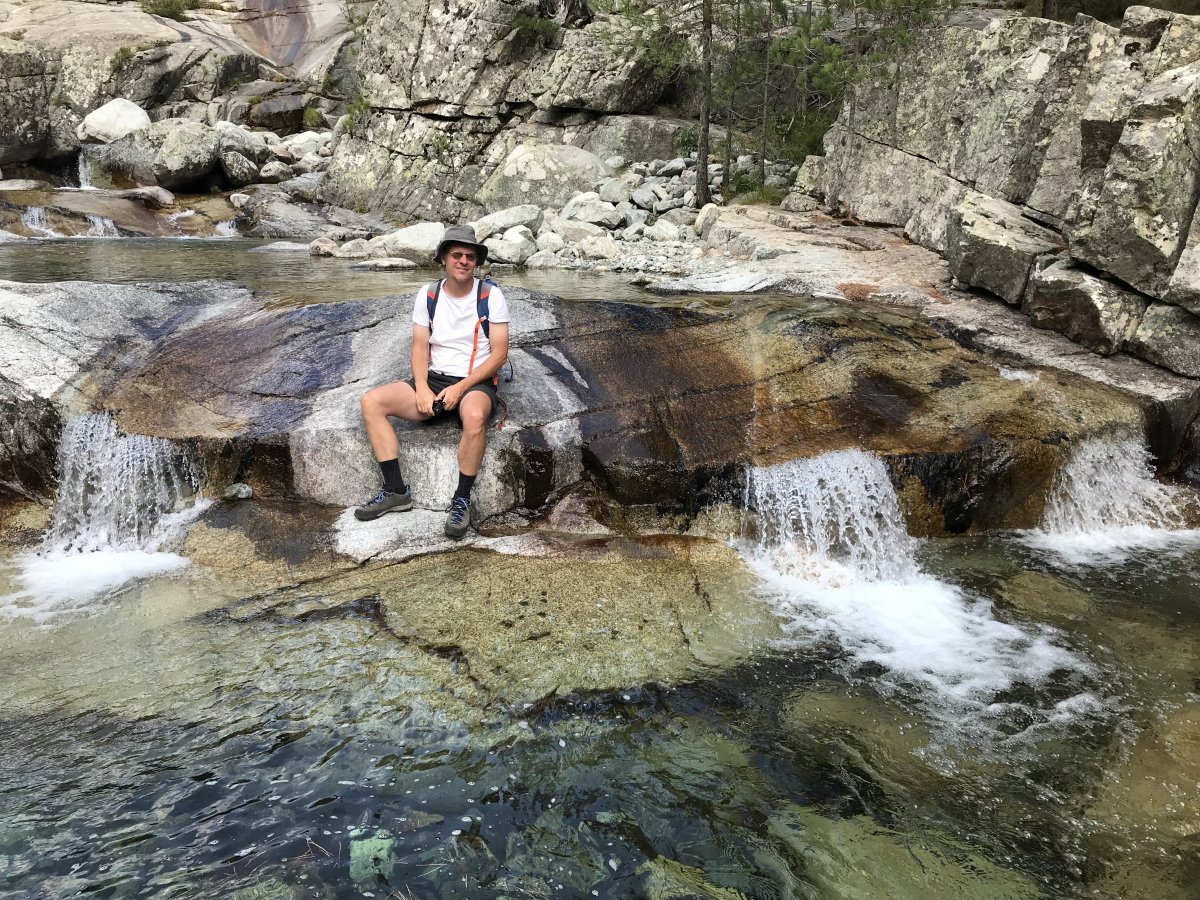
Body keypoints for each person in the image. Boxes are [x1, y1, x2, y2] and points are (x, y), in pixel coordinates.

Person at [355, 225, 510, 539]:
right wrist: (423, 388)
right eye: (457, 255)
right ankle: (396, 491)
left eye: (470, 256)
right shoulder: (428, 294)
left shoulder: (491, 295)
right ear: (443, 259)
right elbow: (419, 346)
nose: (464, 261)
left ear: (476, 262)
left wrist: (461, 387)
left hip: (475, 382)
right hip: (435, 380)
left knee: (475, 416)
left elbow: (499, 355)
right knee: (372, 402)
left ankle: (462, 499)